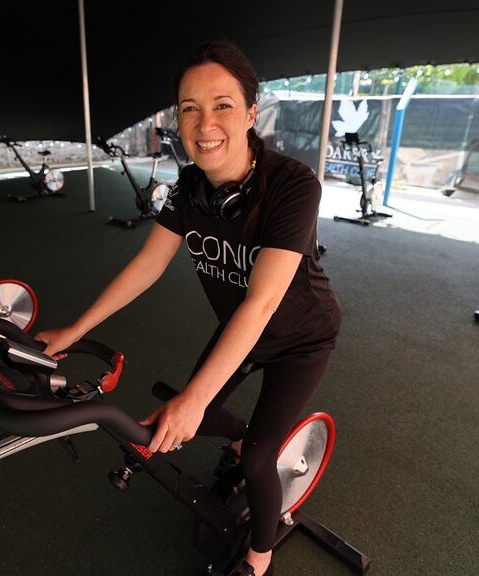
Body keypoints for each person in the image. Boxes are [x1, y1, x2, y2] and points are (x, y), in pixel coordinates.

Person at [37, 40, 341, 576]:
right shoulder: (189, 188)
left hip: (300, 335)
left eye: (222, 104)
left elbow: (264, 300)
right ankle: (244, 428)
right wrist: (76, 329)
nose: (205, 124)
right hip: (239, 327)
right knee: (183, 409)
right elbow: (147, 266)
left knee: (252, 457)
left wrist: (196, 398)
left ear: (250, 112)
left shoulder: (293, 186)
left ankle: (260, 552)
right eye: (189, 108)